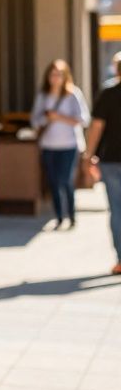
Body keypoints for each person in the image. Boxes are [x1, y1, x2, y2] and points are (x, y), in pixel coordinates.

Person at [30, 59, 90, 230]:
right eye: (52, 75)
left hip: (69, 145)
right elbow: (35, 120)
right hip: (49, 144)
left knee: (65, 180)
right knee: (53, 181)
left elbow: (84, 119)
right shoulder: (43, 96)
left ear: (65, 77)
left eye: (58, 75)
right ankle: (58, 217)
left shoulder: (72, 94)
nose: (55, 78)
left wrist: (59, 117)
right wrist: (46, 118)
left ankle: (70, 215)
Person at [85, 52, 121, 276]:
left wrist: (88, 155)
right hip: (110, 162)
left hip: (111, 160)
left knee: (117, 210)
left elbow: (96, 127)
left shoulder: (108, 93)